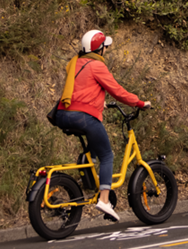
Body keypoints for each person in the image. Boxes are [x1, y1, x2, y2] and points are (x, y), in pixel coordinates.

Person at [53, 30, 150, 222]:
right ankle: (104, 200)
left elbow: (80, 89)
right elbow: (117, 91)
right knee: (107, 155)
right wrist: (139, 102)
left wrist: (98, 101)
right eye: (105, 46)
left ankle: (87, 165)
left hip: (63, 114)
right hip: (82, 117)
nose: (106, 49)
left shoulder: (76, 63)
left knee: (94, 146)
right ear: (99, 49)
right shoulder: (96, 65)